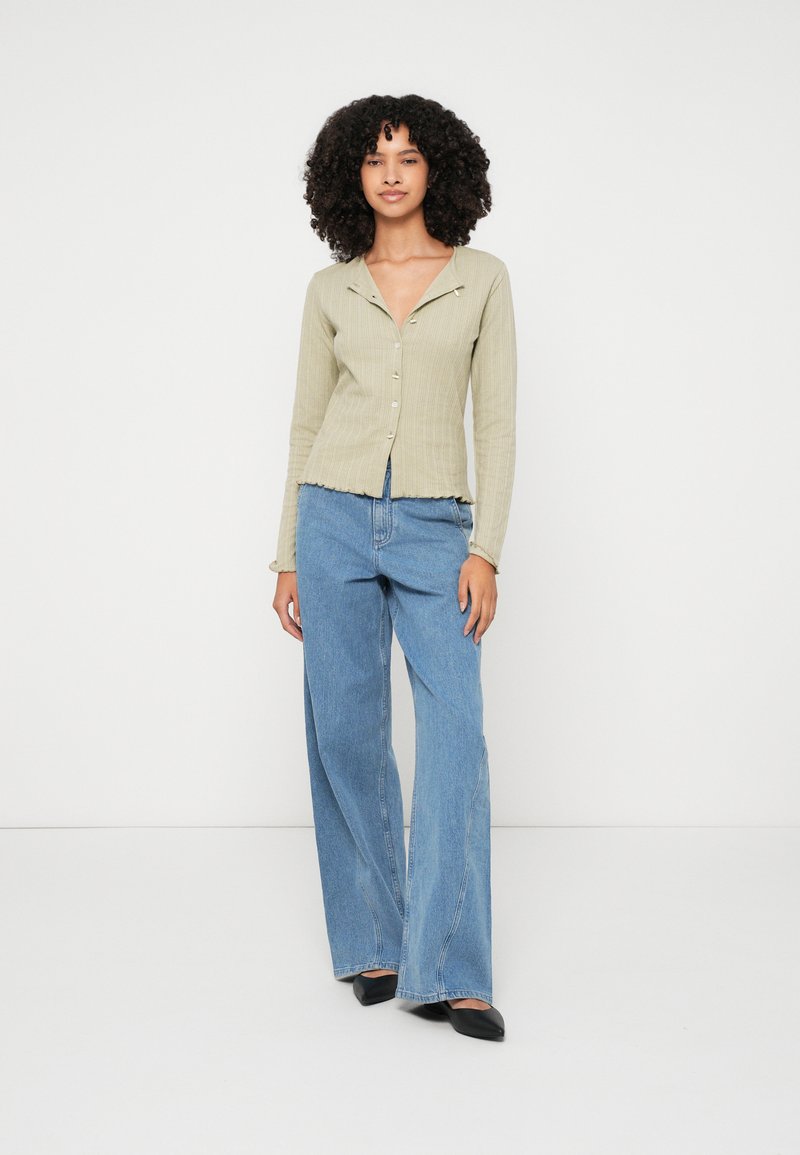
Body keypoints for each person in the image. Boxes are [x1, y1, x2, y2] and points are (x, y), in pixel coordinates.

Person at [270, 94, 516, 1041]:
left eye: (408, 157)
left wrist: (486, 547)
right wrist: (289, 551)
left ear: (436, 169)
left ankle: (453, 966)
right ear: (352, 176)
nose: (391, 174)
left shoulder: (483, 278)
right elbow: (305, 423)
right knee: (345, 730)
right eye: (375, 160)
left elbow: (496, 423)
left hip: (434, 526)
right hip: (330, 516)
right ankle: (373, 939)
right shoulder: (330, 290)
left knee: (455, 734)